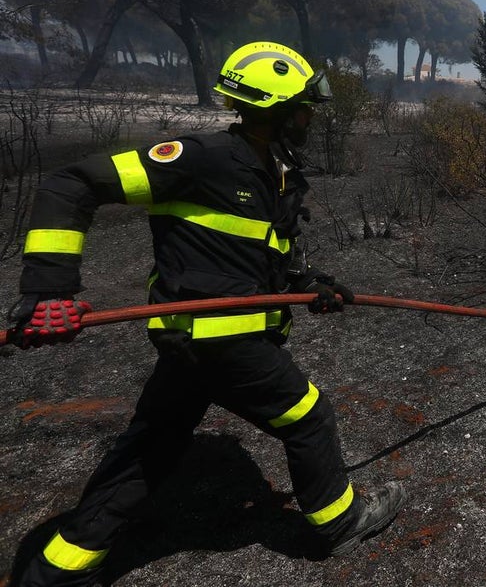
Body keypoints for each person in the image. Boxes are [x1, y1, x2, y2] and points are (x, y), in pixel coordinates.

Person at [7, 41, 407, 586]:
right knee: (309, 418)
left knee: (150, 448)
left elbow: (257, 252)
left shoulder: (272, 171)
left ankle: (57, 572)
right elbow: (70, 183)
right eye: (304, 105)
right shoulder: (202, 157)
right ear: (276, 108)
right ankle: (341, 522)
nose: (310, 116)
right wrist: (48, 291)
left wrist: (307, 285)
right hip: (225, 343)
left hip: (190, 347)